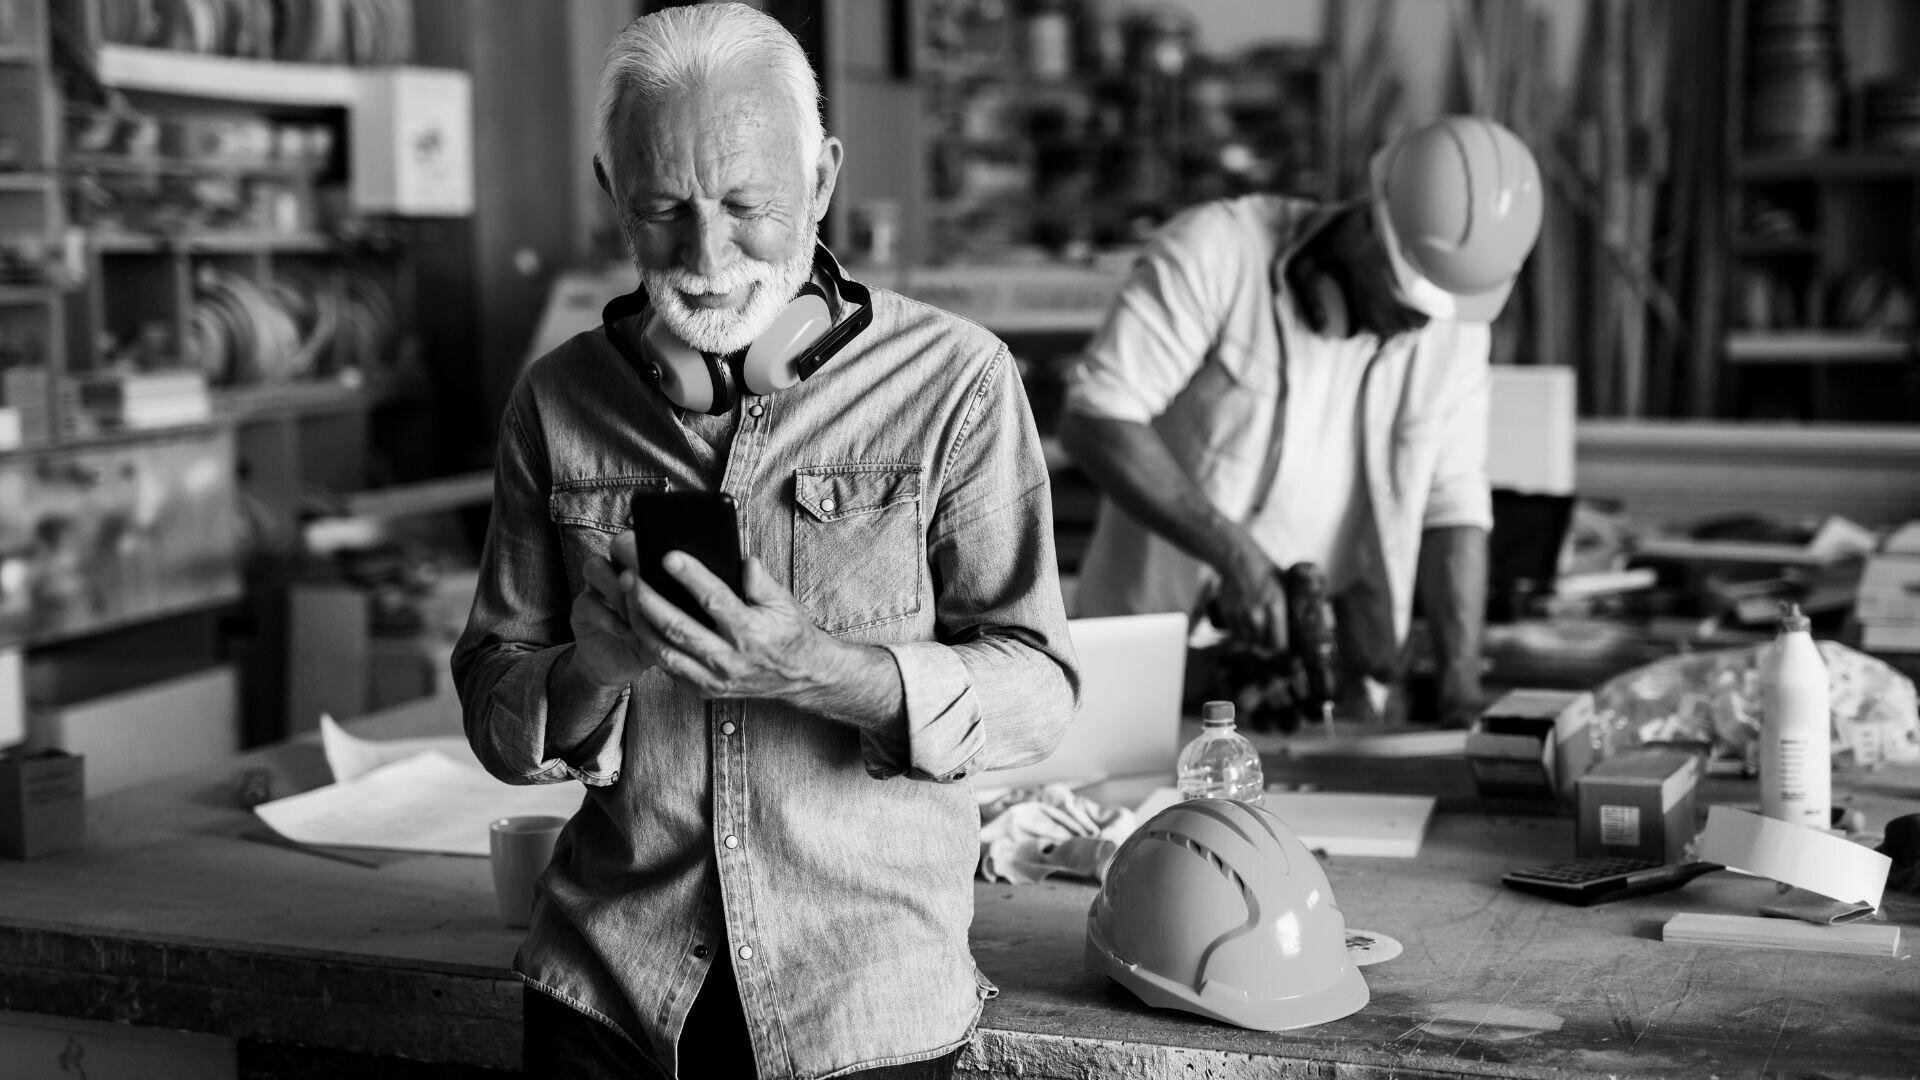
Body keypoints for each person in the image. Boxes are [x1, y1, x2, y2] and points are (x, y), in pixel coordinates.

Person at [451, 6, 1079, 1079]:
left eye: (748, 206)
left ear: (822, 179)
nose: (705, 258)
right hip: (607, 1003)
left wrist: (820, 670)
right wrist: (591, 671)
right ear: (611, 190)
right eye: (661, 210)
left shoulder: (957, 382)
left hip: (866, 1010)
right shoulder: (555, 401)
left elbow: (1040, 690)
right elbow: (496, 714)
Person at [1059, 115, 1543, 730]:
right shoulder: (1219, 251)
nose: (1422, 323)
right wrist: (1238, 559)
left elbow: (1453, 502)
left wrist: (1461, 688)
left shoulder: (1453, 328)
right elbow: (1096, 418)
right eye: (1411, 296)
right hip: (1147, 660)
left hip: (1319, 679)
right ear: (1372, 220)